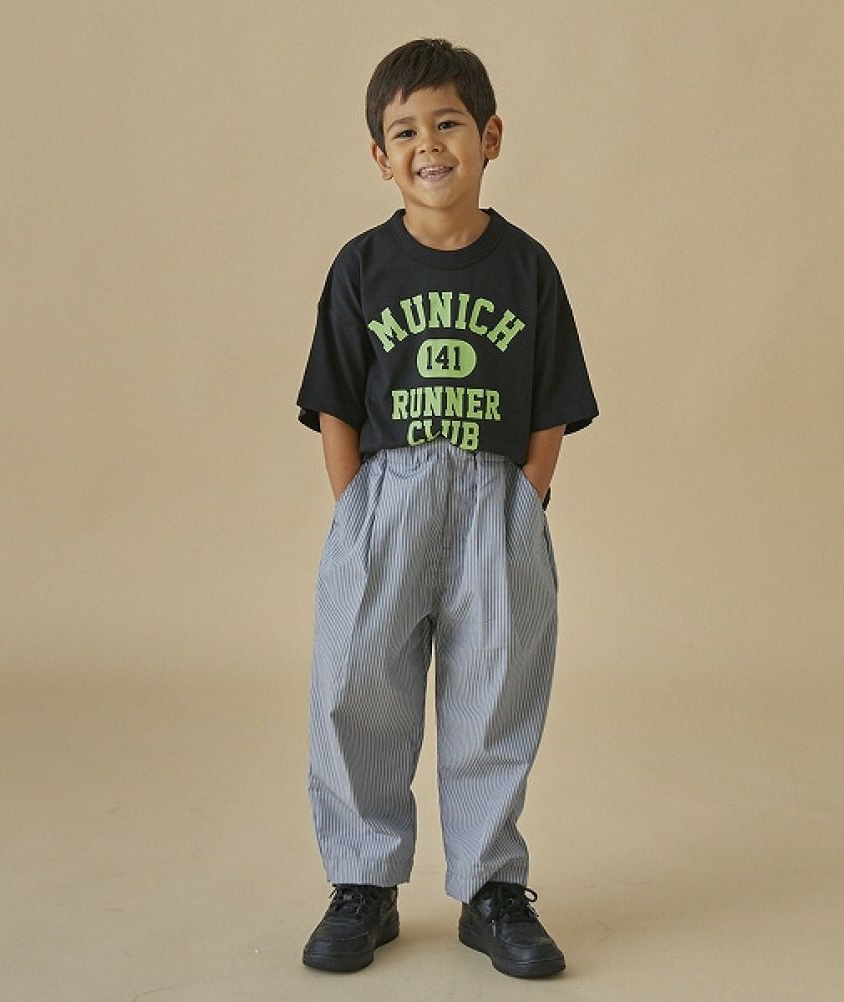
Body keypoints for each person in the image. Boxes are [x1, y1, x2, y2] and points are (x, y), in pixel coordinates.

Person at [295, 37, 598, 979]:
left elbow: (553, 397)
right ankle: (363, 882)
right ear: (380, 157)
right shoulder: (362, 267)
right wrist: (356, 507)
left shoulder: (527, 267)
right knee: (358, 688)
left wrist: (527, 494)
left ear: (490, 137)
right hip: (388, 494)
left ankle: (491, 888)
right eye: (405, 132)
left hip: (494, 498)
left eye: (448, 124)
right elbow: (335, 399)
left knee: (496, 692)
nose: (428, 144)